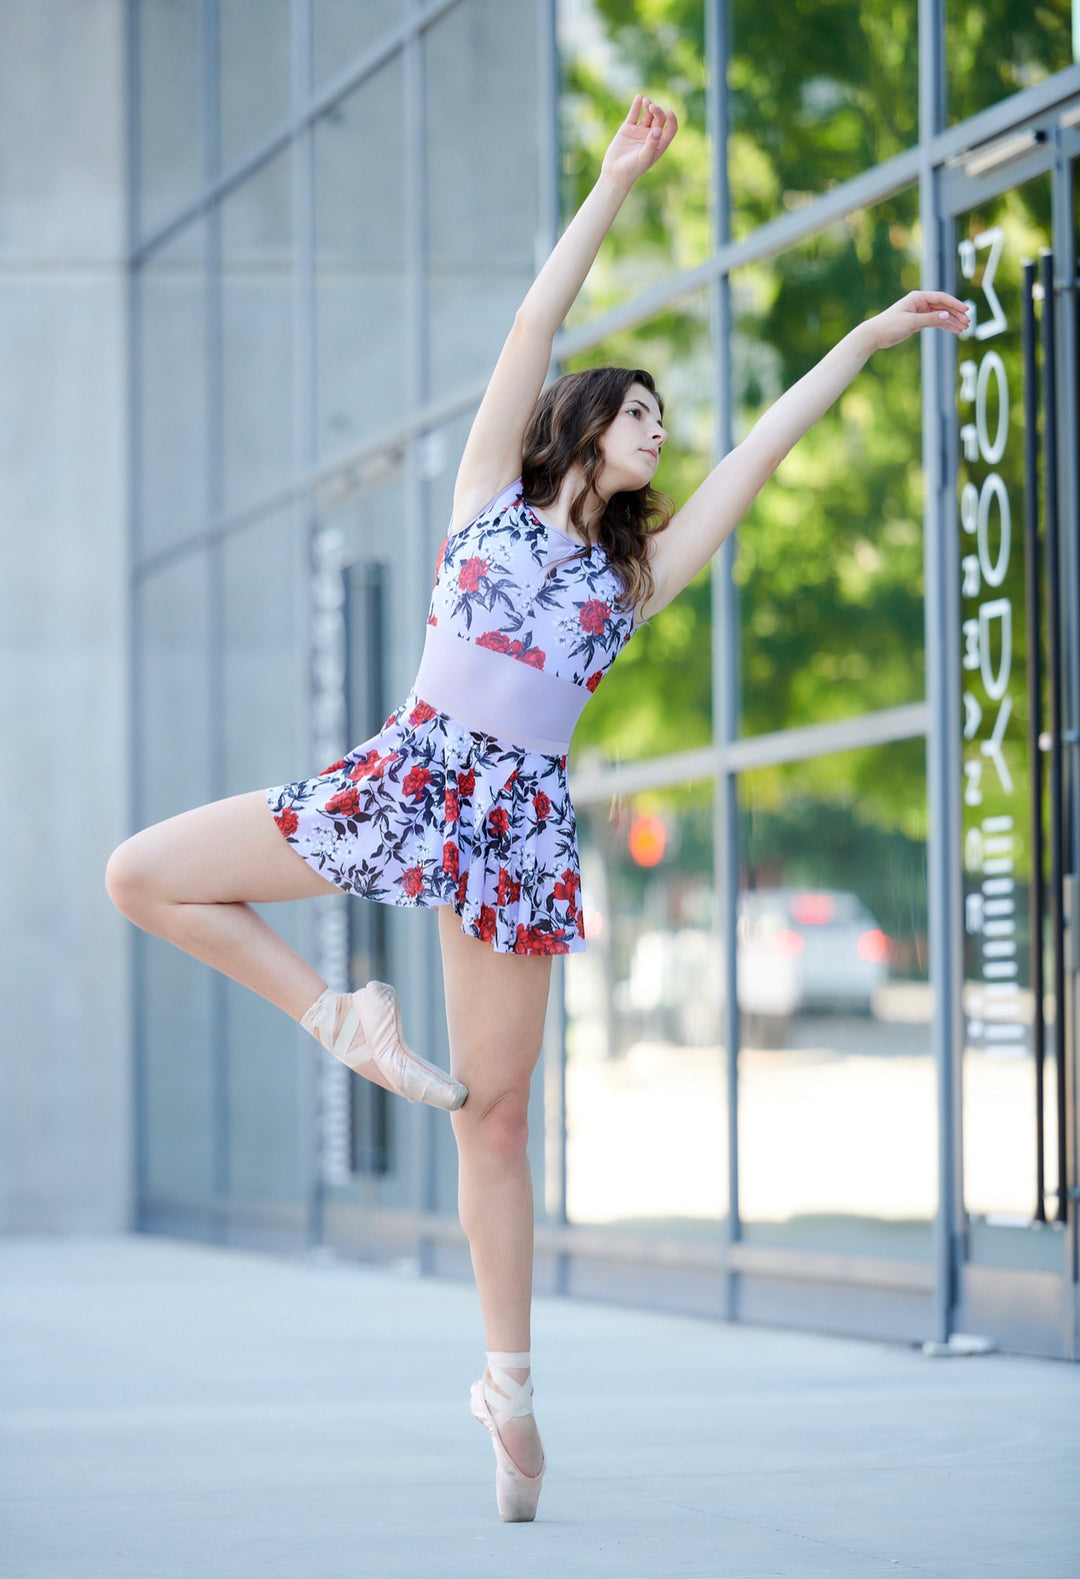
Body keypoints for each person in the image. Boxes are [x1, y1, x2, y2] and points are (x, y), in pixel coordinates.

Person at [106, 93, 970, 1522]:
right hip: (413, 771)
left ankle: (505, 1388)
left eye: (663, 421)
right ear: (582, 424)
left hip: (509, 822)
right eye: (641, 413)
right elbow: (532, 322)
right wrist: (616, 183)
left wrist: (867, 340)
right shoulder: (480, 502)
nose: (661, 433)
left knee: (493, 1120)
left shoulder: (631, 581)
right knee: (146, 872)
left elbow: (757, 461)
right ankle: (341, 1020)